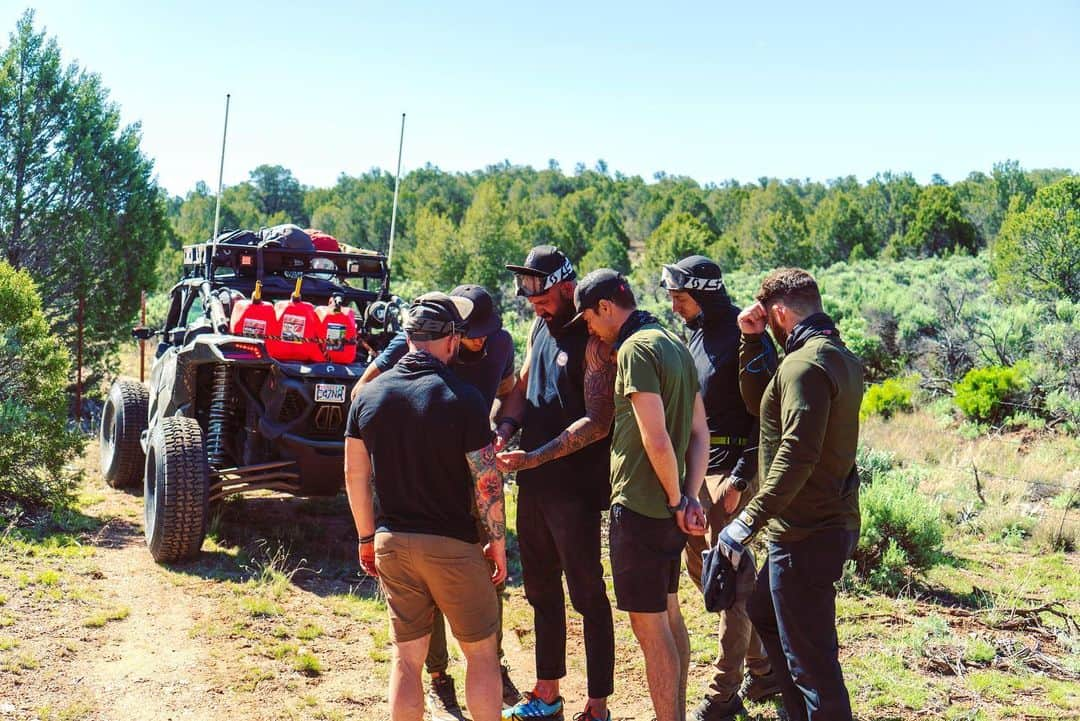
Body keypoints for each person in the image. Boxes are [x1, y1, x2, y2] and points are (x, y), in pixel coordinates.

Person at [350, 284, 519, 719]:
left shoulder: (367, 397)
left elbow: (354, 475)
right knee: (482, 657)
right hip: (454, 547)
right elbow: (487, 481)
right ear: (450, 341)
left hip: (392, 543)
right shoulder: (465, 401)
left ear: (408, 338)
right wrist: (497, 541)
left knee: (406, 660)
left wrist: (367, 537)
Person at [716, 268, 864, 721]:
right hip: (823, 525)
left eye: (769, 319)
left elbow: (796, 453)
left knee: (814, 667)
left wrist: (746, 521)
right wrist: (750, 341)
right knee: (766, 613)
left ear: (779, 312)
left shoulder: (804, 365)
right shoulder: (835, 357)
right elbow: (765, 402)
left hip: (805, 533)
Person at [572, 268, 710, 721]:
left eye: (589, 318)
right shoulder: (674, 343)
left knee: (651, 632)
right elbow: (699, 433)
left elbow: (656, 438)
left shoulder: (634, 349)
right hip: (668, 509)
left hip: (641, 508)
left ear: (606, 308)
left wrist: (674, 499)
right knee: (669, 616)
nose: (590, 329)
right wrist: (689, 497)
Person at [494, 246, 616, 721]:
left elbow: (599, 421)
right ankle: (547, 694)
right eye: (528, 296)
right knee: (541, 590)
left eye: (542, 296)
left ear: (567, 289)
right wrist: (504, 427)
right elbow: (523, 387)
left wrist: (536, 456)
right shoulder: (539, 328)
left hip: (577, 489)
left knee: (587, 593)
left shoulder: (593, 337)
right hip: (535, 483)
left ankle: (598, 704)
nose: (534, 304)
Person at [660, 256, 780, 721]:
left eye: (680, 296)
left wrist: (739, 477)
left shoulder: (743, 336)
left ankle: (723, 693)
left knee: (729, 582)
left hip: (729, 475)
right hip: (696, 472)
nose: (674, 305)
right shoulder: (696, 333)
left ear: (703, 292)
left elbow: (765, 415)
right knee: (707, 575)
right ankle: (764, 668)